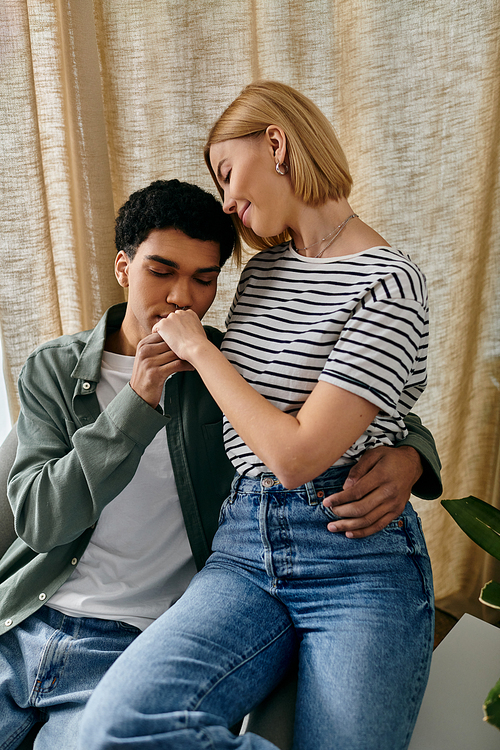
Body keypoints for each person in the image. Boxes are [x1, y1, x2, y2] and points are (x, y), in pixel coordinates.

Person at [0, 176, 439, 750]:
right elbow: (39, 520)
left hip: (130, 644)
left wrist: (412, 458)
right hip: (23, 627)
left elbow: (371, 412)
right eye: (162, 271)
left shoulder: (226, 371)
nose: (183, 297)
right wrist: (136, 404)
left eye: (204, 279)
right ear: (123, 268)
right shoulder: (54, 371)